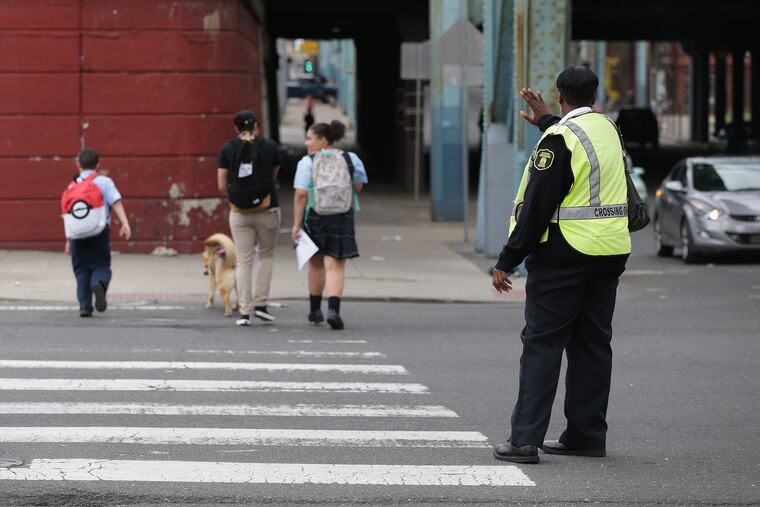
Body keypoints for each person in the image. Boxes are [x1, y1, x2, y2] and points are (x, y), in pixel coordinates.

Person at [491, 66, 631, 464]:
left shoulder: (559, 140)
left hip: (564, 254)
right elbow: (582, 140)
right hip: (610, 251)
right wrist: (547, 122)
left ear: (559, 95)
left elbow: (536, 208)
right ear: (594, 93)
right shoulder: (608, 128)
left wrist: (507, 259)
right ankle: (586, 435)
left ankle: (523, 441)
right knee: (592, 344)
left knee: (542, 344)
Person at [291, 120, 368, 330]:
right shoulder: (351, 158)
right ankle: (334, 310)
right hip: (342, 216)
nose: (307, 143)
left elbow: (300, 194)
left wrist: (296, 224)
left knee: (316, 263)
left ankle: (315, 310)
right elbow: (359, 187)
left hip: (316, 215)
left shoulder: (307, 162)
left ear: (323, 140)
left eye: (310, 138)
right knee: (335, 265)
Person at [217, 110, 282, 326]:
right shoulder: (270, 147)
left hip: (239, 213)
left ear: (236, 128)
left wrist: (237, 198)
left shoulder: (227, 148)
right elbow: (273, 177)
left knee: (244, 260)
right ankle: (261, 305)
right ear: (257, 126)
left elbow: (221, 184)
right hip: (268, 209)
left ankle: (244, 311)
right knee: (266, 255)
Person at [65, 149, 131, 317]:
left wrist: (68, 239)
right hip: (99, 232)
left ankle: (85, 306)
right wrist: (125, 223)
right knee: (100, 265)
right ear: (98, 165)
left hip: (77, 235)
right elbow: (115, 201)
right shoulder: (104, 181)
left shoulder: (72, 185)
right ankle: (99, 284)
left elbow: (69, 215)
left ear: (78, 165)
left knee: (81, 269)